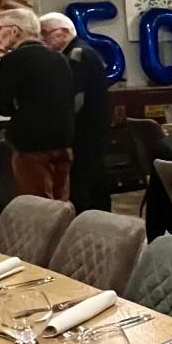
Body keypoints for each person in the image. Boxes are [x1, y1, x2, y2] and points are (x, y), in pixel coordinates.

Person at [0, 9, 75, 200]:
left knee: (38, 207)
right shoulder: (60, 58)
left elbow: (0, 104)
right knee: (61, 203)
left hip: (31, 145)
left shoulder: (12, 60)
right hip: (64, 141)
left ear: (14, 31)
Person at [41, 11, 112, 211]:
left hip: (84, 133)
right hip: (92, 131)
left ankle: (90, 231)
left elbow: (76, 98)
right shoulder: (78, 52)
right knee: (92, 185)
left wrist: (60, 124)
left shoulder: (77, 54)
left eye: (45, 33)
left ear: (63, 32)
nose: (42, 40)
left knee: (84, 188)